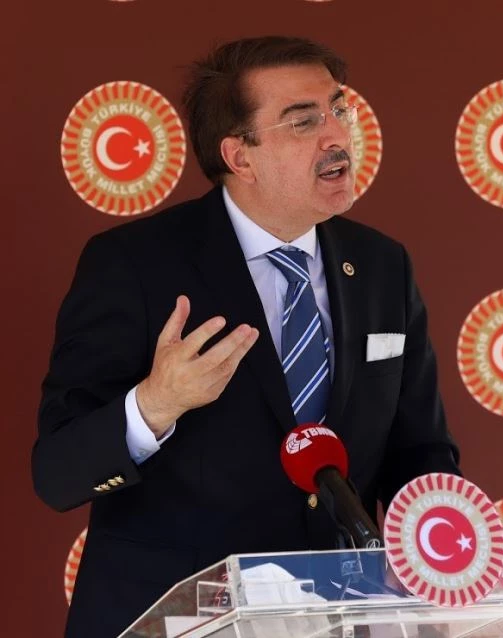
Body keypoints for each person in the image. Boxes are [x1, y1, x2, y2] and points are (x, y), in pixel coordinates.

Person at [33, 36, 460, 638]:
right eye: (303, 121)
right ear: (240, 156)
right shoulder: (134, 264)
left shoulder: (383, 265)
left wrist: (456, 547)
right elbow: (56, 473)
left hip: (338, 618)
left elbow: (420, 453)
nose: (337, 135)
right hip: (180, 621)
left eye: (339, 109)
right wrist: (154, 405)